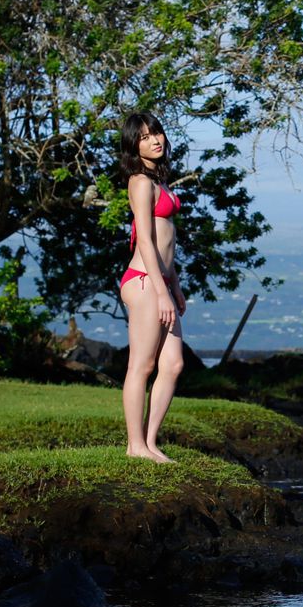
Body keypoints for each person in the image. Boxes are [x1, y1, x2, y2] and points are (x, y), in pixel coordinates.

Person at [118, 111, 185, 462]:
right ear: (134, 145)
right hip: (145, 282)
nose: (154, 139)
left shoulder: (159, 181)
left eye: (156, 132)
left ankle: (150, 442)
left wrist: (175, 285)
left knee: (172, 364)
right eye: (144, 137)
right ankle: (135, 446)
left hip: (161, 282)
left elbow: (166, 244)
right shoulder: (140, 182)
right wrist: (161, 292)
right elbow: (145, 240)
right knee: (142, 366)